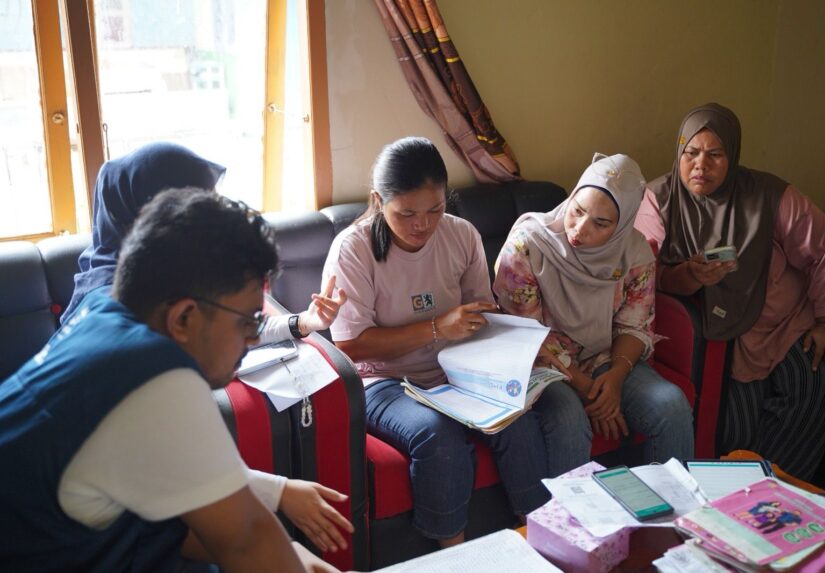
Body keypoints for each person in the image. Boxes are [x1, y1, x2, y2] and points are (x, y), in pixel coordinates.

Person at [0, 189, 351, 572]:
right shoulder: (156, 378)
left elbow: (187, 517)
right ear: (183, 318)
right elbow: (247, 540)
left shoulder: (102, 310)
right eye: (249, 320)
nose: (253, 338)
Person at [322, 137, 583, 547]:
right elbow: (350, 346)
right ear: (378, 200)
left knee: (513, 415)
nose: (422, 224)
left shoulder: (461, 235)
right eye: (406, 213)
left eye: (435, 209)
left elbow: (482, 314)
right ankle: (453, 553)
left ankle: (537, 536)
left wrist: (526, 347)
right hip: (383, 381)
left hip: (457, 369)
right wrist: (437, 328)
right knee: (437, 434)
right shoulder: (354, 250)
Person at [635, 103, 825, 480]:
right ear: (679, 152)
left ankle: (778, 490)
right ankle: (743, 494)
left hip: (789, 322)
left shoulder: (769, 195)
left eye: (715, 154)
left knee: (821, 377)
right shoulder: (659, 198)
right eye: (691, 153)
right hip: (724, 336)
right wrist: (689, 274)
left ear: (732, 156)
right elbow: (645, 272)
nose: (700, 165)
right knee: (733, 428)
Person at [493, 153, 694, 463]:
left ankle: (678, 508)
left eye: (601, 223)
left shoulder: (634, 253)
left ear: (623, 223)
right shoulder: (528, 246)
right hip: (539, 362)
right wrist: (588, 389)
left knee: (670, 405)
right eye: (577, 210)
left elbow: (633, 325)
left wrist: (614, 378)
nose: (580, 229)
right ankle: (565, 512)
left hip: (603, 356)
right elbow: (525, 336)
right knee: (567, 419)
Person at [61, 142, 346, 341]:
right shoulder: (119, 305)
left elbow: (225, 326)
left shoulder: (162, 267)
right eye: (195, 211)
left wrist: (303, 322)